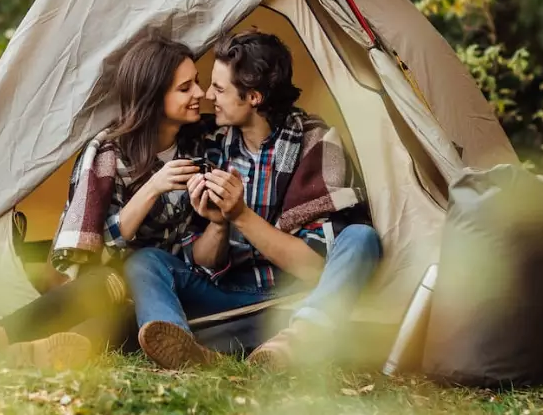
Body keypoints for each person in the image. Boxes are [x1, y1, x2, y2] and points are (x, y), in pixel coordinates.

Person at [0, 35, 210, 368]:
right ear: (154, 97)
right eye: (186, 88)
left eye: (196, 83)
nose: (201, 93)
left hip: (172, 280)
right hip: (110, 277)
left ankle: (8, 342)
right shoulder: (109, 155)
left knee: (126, 297)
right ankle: (15, 342)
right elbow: (94, 246)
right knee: (109, 289)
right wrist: (151, 188)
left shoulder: (202, 148)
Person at [124, 30, 382, 370]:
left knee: (361, 238)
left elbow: (314, 268)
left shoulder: (314, 144)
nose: (206, 96)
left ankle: (297, 340)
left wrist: (241, 214)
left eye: (219, 88)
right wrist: (217, 223)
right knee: (146, 262)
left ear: (254, 97)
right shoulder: (207, 144)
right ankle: (181, 344)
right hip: (226, 300)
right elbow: (202, 261)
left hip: (294, 299)